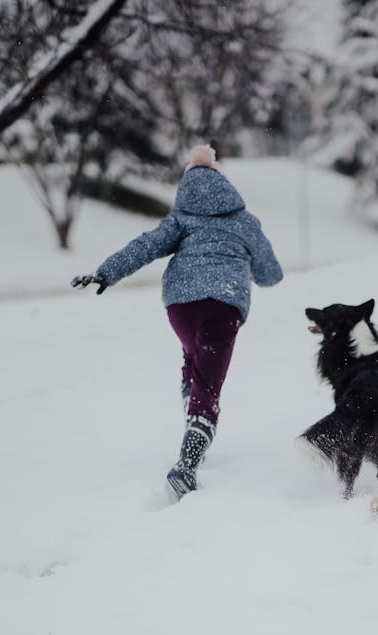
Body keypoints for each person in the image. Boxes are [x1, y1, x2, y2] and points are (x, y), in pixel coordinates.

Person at [71, 144, 283, 500]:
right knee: (208, 389)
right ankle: (185, 468)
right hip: (223, 304)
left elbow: (146, 246)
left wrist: (106, 272)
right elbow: (271, 273)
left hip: (181, 306)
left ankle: (190, 396)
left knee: (195, 351)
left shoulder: (181, 219)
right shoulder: (245, 222)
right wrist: (254, 269)